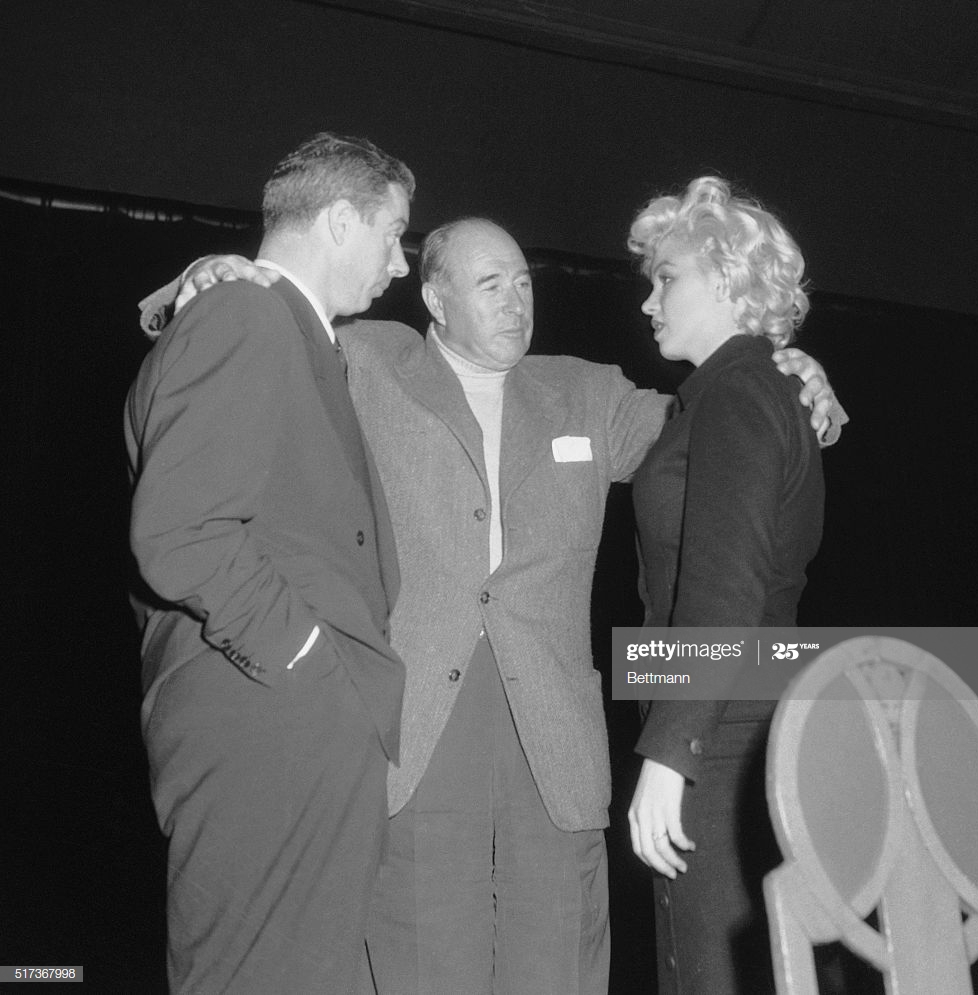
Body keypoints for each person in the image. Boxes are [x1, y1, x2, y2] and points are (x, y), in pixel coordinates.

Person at [141, 216, 841, 994]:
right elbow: (274, 319)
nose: (515, 300)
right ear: (435, 298)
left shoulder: (587, 393)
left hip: (555, 746)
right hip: (419, 734)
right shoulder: (367, 360)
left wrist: (790, 373)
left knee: (555, 969)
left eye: (523, 281)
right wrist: (205, 274)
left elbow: (716, 429)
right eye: (489, 283)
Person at [125, 133, 413, 994]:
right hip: (271, 717)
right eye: (394, 232)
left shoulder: (285, 324)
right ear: (336, 220)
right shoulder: (243, 314)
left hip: (292, 724)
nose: (400, 263)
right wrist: (306, 659)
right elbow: (181, 531)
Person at [626, 177, 826, 994]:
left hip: (725, 735)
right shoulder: (739, 390)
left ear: (727, 276)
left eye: (665, 276)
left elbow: (725, 591)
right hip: (741, 725)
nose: (648, 300)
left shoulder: (738, 392)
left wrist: (670, 754)